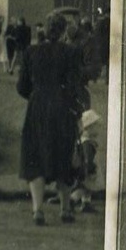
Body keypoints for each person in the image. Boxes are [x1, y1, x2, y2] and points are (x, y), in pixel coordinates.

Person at [17, 12, 83, 225]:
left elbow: (22, 87)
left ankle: (37, 209)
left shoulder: (31, 52)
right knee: (63, 152)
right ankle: (65, 207)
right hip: (62, 106)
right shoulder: (71, 53)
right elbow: (75, 86)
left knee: (35, 155)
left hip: (37, 107)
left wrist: (36, 95)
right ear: (64, 31)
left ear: (44, 30)